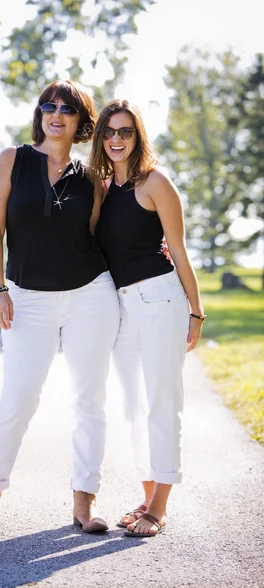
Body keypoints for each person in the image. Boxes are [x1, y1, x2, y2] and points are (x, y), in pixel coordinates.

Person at [0, 81, 120, 533]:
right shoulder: (11, 160)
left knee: (89, 401)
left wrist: (158, 251)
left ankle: (84, 503)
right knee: (17, 399)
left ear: (80, 121)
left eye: (68, 109)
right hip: (26, 297)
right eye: (49, 106)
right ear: (39, 114)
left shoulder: (93, 176)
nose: (56, 114)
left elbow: (104, 232)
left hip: (89, 294)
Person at [90, 100, 205, 537]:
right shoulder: (102, 187)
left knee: (162, 402)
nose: (117, 139)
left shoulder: (155, 183)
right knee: (134, 408)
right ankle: (146, 495)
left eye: (126, 132)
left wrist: (196, 310)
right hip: (122, 306)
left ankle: (159, 507)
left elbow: (178, 252)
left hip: (161, 301)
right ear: (101, 138)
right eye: (109, 132)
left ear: (138, 137)